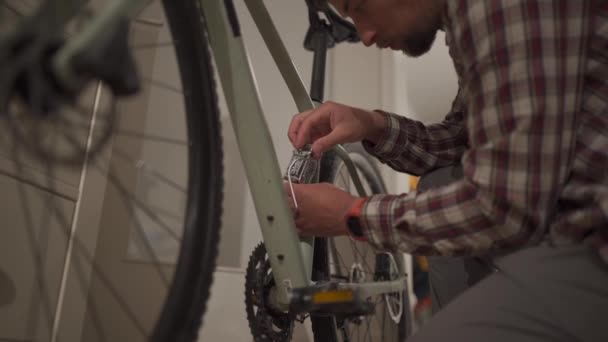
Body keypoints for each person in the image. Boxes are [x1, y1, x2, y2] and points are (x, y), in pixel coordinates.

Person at [286, 0, 608, 340]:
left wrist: (352, 215)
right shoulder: (467, 21)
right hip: (568, 226)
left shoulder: (498, 7)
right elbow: (458, 142)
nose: (364, 36)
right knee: (439, 181)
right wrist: (370, 124)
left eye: (359, 6)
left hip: (597, 241)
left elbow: (503, 209)